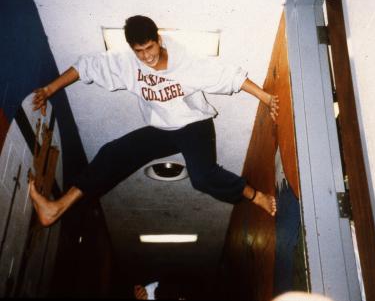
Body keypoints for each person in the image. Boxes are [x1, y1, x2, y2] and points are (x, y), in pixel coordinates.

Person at [29, 15, 278, 227]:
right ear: (131, 48)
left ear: (158, 40)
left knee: (201, 177)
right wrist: (48, 91)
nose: (146, 57)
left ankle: (256, 197)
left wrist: (266, 98)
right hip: (161, 127)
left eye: (150, 48)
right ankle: (57, 207)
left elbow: (231, 78)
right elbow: (84, 67)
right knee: (112, 152)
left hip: (194, 124)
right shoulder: (126, 63)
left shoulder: (185, 62)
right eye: (139, 51)